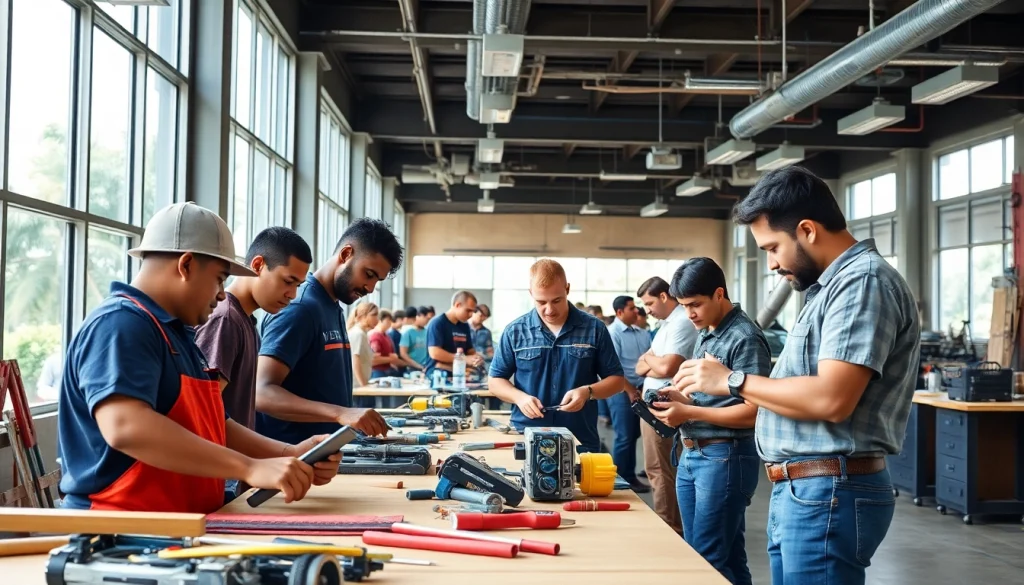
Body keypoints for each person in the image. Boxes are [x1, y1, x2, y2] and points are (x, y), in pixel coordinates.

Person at [675, 166, 920, 585]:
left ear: (806, 230)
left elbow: (831, 399)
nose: (771, 263)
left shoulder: (861, 282)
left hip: (828, 491)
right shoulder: (828, 288)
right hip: (805, 489)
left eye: (773, 247)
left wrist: (732, 381)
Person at [57, 203, 339, 513]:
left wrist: (289, 453)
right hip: (120, 529)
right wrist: (247, 467)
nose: (222, 294)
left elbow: (214, 423)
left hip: (176, 524)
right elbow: (127, 426)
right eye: (219, 278)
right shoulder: (121, 324)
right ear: (186, 265)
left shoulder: (178, 333)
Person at [651, 258, 771, 585]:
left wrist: (689, 412)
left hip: (724, 456)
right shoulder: (708, 332)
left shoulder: (744, 337)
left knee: (705, 560)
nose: (689, 314)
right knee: (724, 556)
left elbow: (755, 410)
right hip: (694, 454)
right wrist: (682, 400)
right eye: (684, 306)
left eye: (695, 305)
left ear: (719, 294)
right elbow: (713, 396)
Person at [255, 218, 403, 444]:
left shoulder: (331, 307)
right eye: (369, 274)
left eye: (377, 281)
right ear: (346, 255)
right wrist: (341, 413)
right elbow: (261, 393)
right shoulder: (301, 308)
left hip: (323, 458)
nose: (370, 288)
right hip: (293, 459)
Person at [489, 259, 625, 453]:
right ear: (531, 294)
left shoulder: (594, 329)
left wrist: (587, 392)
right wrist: (519, 398)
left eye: (556, 300)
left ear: (567, 289)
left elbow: (617, 381)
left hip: (579, 437)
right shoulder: (515, 331)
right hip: (527, 435)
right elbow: (495, 381)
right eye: (541, 302)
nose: (549, 310)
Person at [195, 227, 311, 432]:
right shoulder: (226, 319)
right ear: (258, 265)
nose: (292, 294)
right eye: (288, 281)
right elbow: (203, 414)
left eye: (298, 286)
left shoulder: (244, 321)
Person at [637, 275, 697, 534]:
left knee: (660, 469)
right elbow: (639, 366)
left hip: (664, 405)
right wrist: (653, 361)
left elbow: (667, 366)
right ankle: (672, 524)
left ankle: (670, 528)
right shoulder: (666, 325)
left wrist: (652, 360)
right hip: (653, 404)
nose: (647, 310)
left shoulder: (681, 323)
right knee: (658, 468)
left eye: (650, 303)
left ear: (664, 296)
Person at [606, 295, 651, 493]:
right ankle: (622, 479)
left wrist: (641, 389)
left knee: (633, 434)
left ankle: (629, 476)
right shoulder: (612, 333)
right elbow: (612, 368)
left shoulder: (642, 333)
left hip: (641, 390)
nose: (637, 311)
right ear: (619, 312)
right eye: (632, 308)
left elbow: (650, 360)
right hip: (620, 391)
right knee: (624, 436)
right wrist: (631, 390)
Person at [425, 291, 484, 380]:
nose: (471, 315)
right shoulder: (437, 323)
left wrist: (476, 358)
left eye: (473, 311)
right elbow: (435, 353)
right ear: (457, 305)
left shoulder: (464, 325)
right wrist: (463, 359)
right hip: (438, 373)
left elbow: (469, 351)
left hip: (459, 372)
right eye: (468, 310)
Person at [348, 302, 385, 389]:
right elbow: (355, 360)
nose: (377, 319)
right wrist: (364, 385)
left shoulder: (363, 333)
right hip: (357, 386)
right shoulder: (358, 333)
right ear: (363, 316)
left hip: (360, 384)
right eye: (374, 315)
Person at [370, 309, 403, 379]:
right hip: (378, 372)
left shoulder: (386, 335)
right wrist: (390, 359)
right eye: (388, 321)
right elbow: (373, 360)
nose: (390, 323)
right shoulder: (375, 336)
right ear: (380, 320)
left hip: (387, 371)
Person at [468, 303, 494, 381]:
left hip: (481, 367)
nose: (482, 319)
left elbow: (490, 352)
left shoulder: (487, 332)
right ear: (474, 312)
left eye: (484, 318)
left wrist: (482, 357)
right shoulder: (463, 329)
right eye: (480, 316)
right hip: (466, 365)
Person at [399, 307, 430, 372]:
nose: (427, 321)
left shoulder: (427, 332)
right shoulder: (407, 332)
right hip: (412, 369)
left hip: (426, 367)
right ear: (419, 316)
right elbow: (403, 353)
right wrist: (418, 366)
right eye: (426, 318)